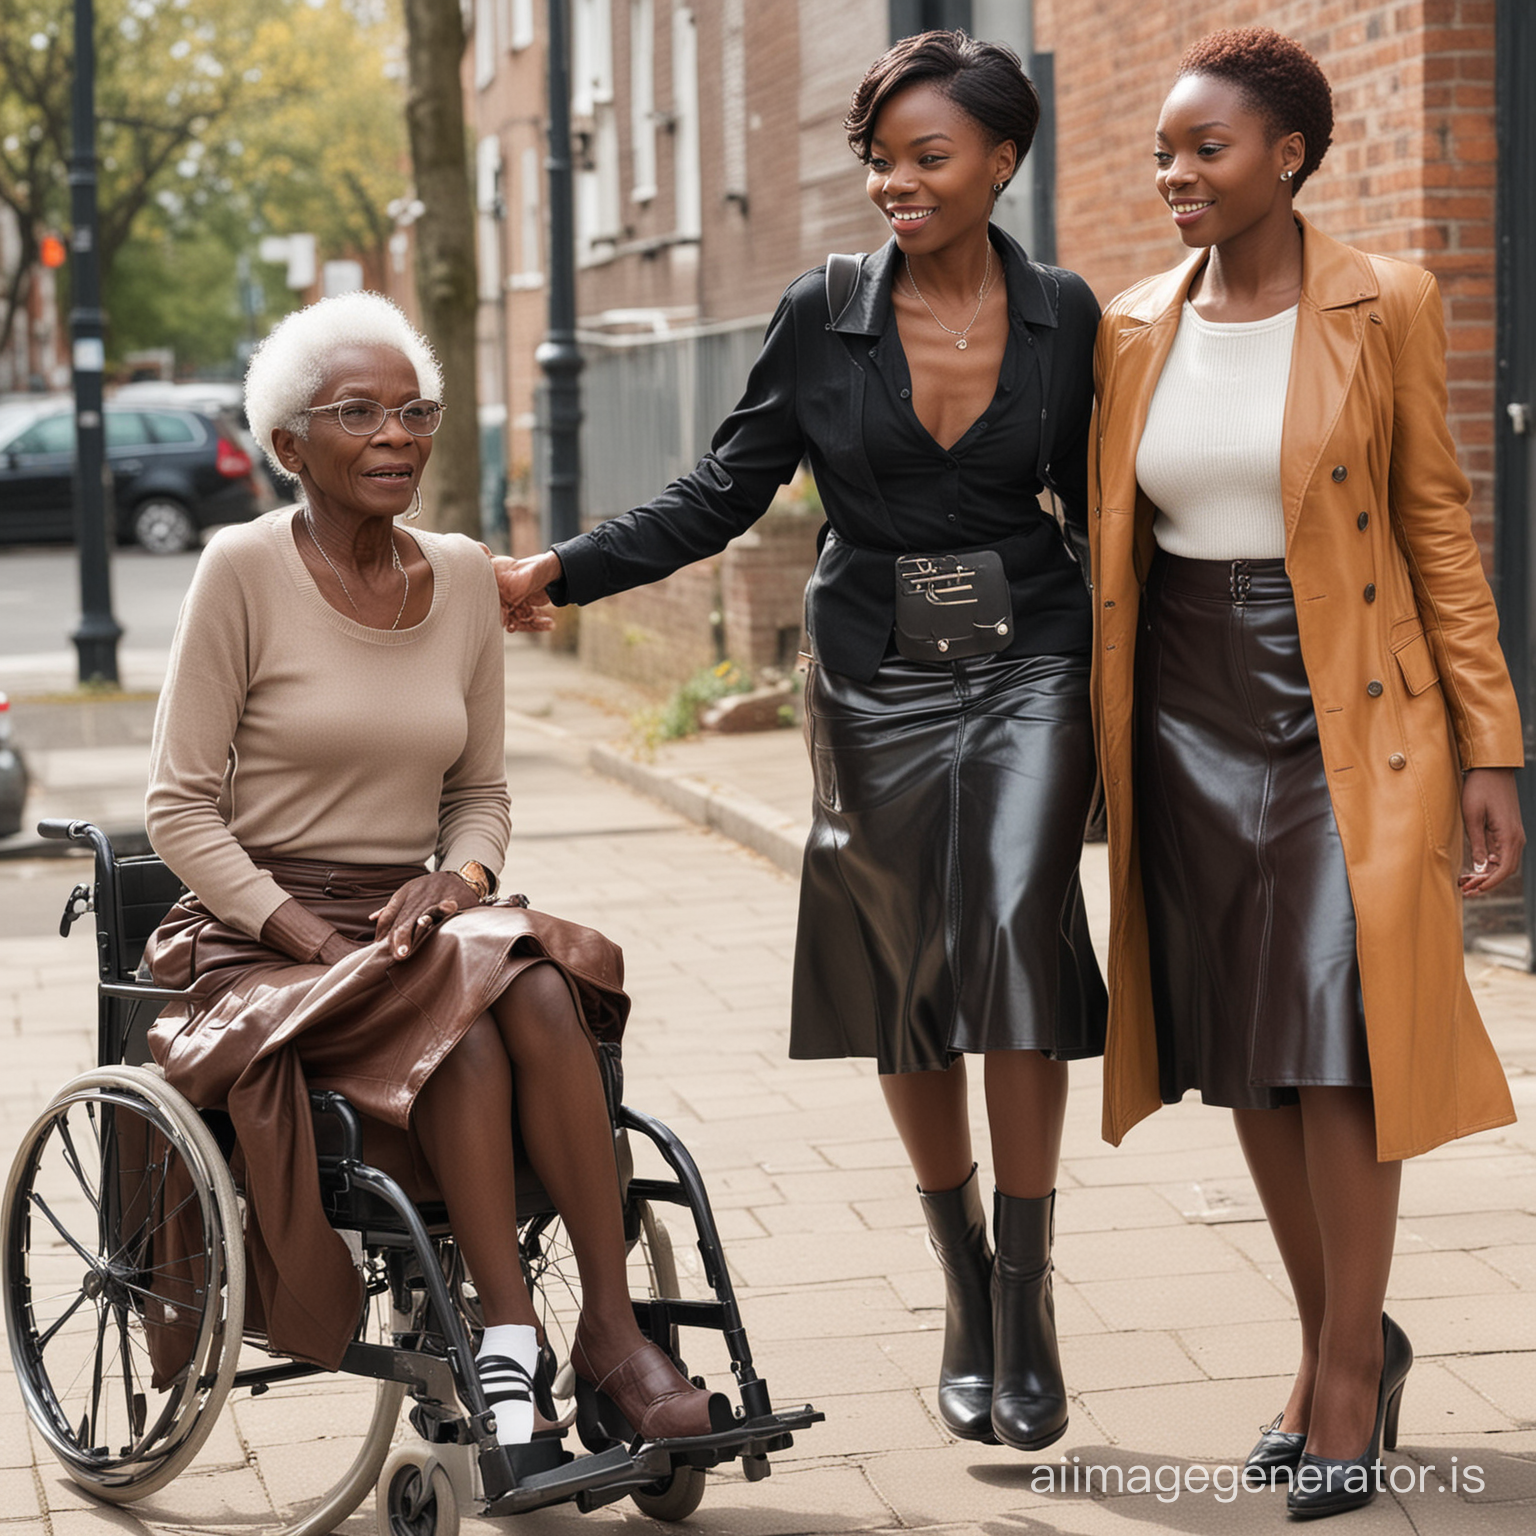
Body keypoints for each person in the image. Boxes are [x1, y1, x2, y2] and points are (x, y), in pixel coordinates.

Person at [496, 30, 1106, 1453]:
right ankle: (961, 1277)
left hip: (1033, 653)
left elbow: (1117, 502)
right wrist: (560, 572)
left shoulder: (1072, 316)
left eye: (928, 158)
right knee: (907, 959)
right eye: (879, 159)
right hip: (876, 669)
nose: (895, 182)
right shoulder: (820, 311)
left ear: (1003, 162)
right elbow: (724, 489)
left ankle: (1027, 1295)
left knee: (1016, 919)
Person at [143, 290, 730, 1450]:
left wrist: (456, 885)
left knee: (538, 982)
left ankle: (601, 1338)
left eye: (415, 410)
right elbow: (176, 808)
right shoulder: (240, 570)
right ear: (289, 447)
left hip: (417, 922)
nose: (397, 434)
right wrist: (311, 938)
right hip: (259, 936)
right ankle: (517, 1340)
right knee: (478, 1000)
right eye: (357, 413)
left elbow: (480, 796)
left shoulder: (463, 575)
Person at [1088, 27, 1523, 1518]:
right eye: (1163, 152)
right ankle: (1336, 1341)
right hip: (1185, 708)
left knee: (1341, 1036)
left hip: (1355, 696)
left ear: (1288, 153)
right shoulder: (1134, 322)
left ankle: (1347, 1379)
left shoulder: (1383, 299)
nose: (1175, 175)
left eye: (1206, 148)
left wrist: (1492, 746)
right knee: (1251, 1054)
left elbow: (1441, 529)